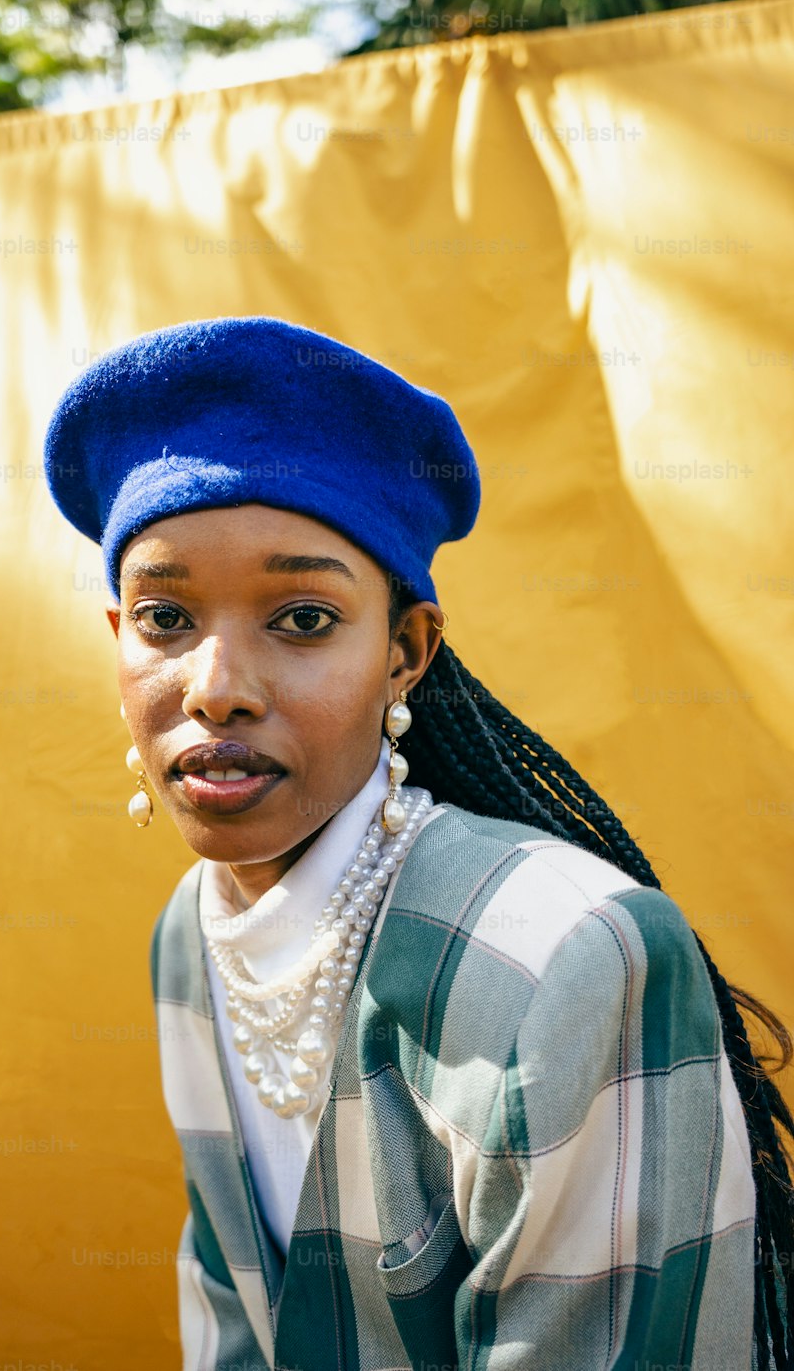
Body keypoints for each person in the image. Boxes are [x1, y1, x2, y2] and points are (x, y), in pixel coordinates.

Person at [43, 315, 793, 1371]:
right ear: (119, 640)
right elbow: (231, 1324)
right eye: (167, 618)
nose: (215, 687)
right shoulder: (190, 937)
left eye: (300, 619)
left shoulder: (565, 956)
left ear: (404, 653)